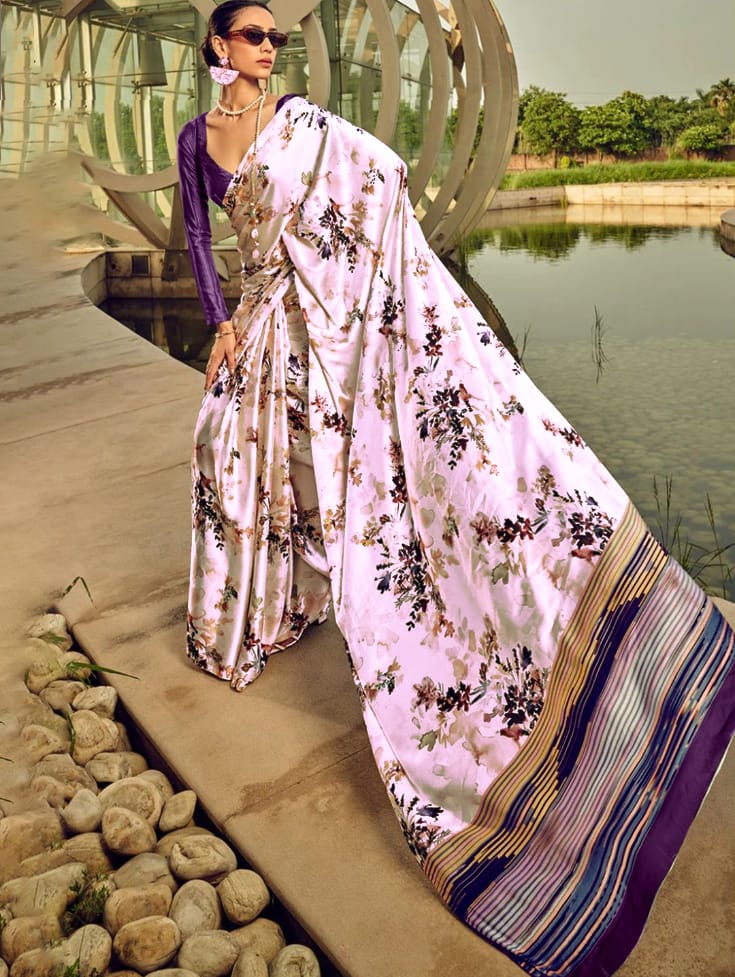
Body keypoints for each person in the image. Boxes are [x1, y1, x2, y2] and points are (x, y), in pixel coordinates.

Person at [177, 3, 735, 975]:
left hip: (331, 325)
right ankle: (256, 614)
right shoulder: (199, 138)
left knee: (378, 497)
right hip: (263, 327)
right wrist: (220, 319)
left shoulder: (301, 123)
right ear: (219, 46)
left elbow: (381, 179)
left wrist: (352, 270)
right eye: (252, 35)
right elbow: (196, 231)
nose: (267, 48)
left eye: (274, 36)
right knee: (225, 453)